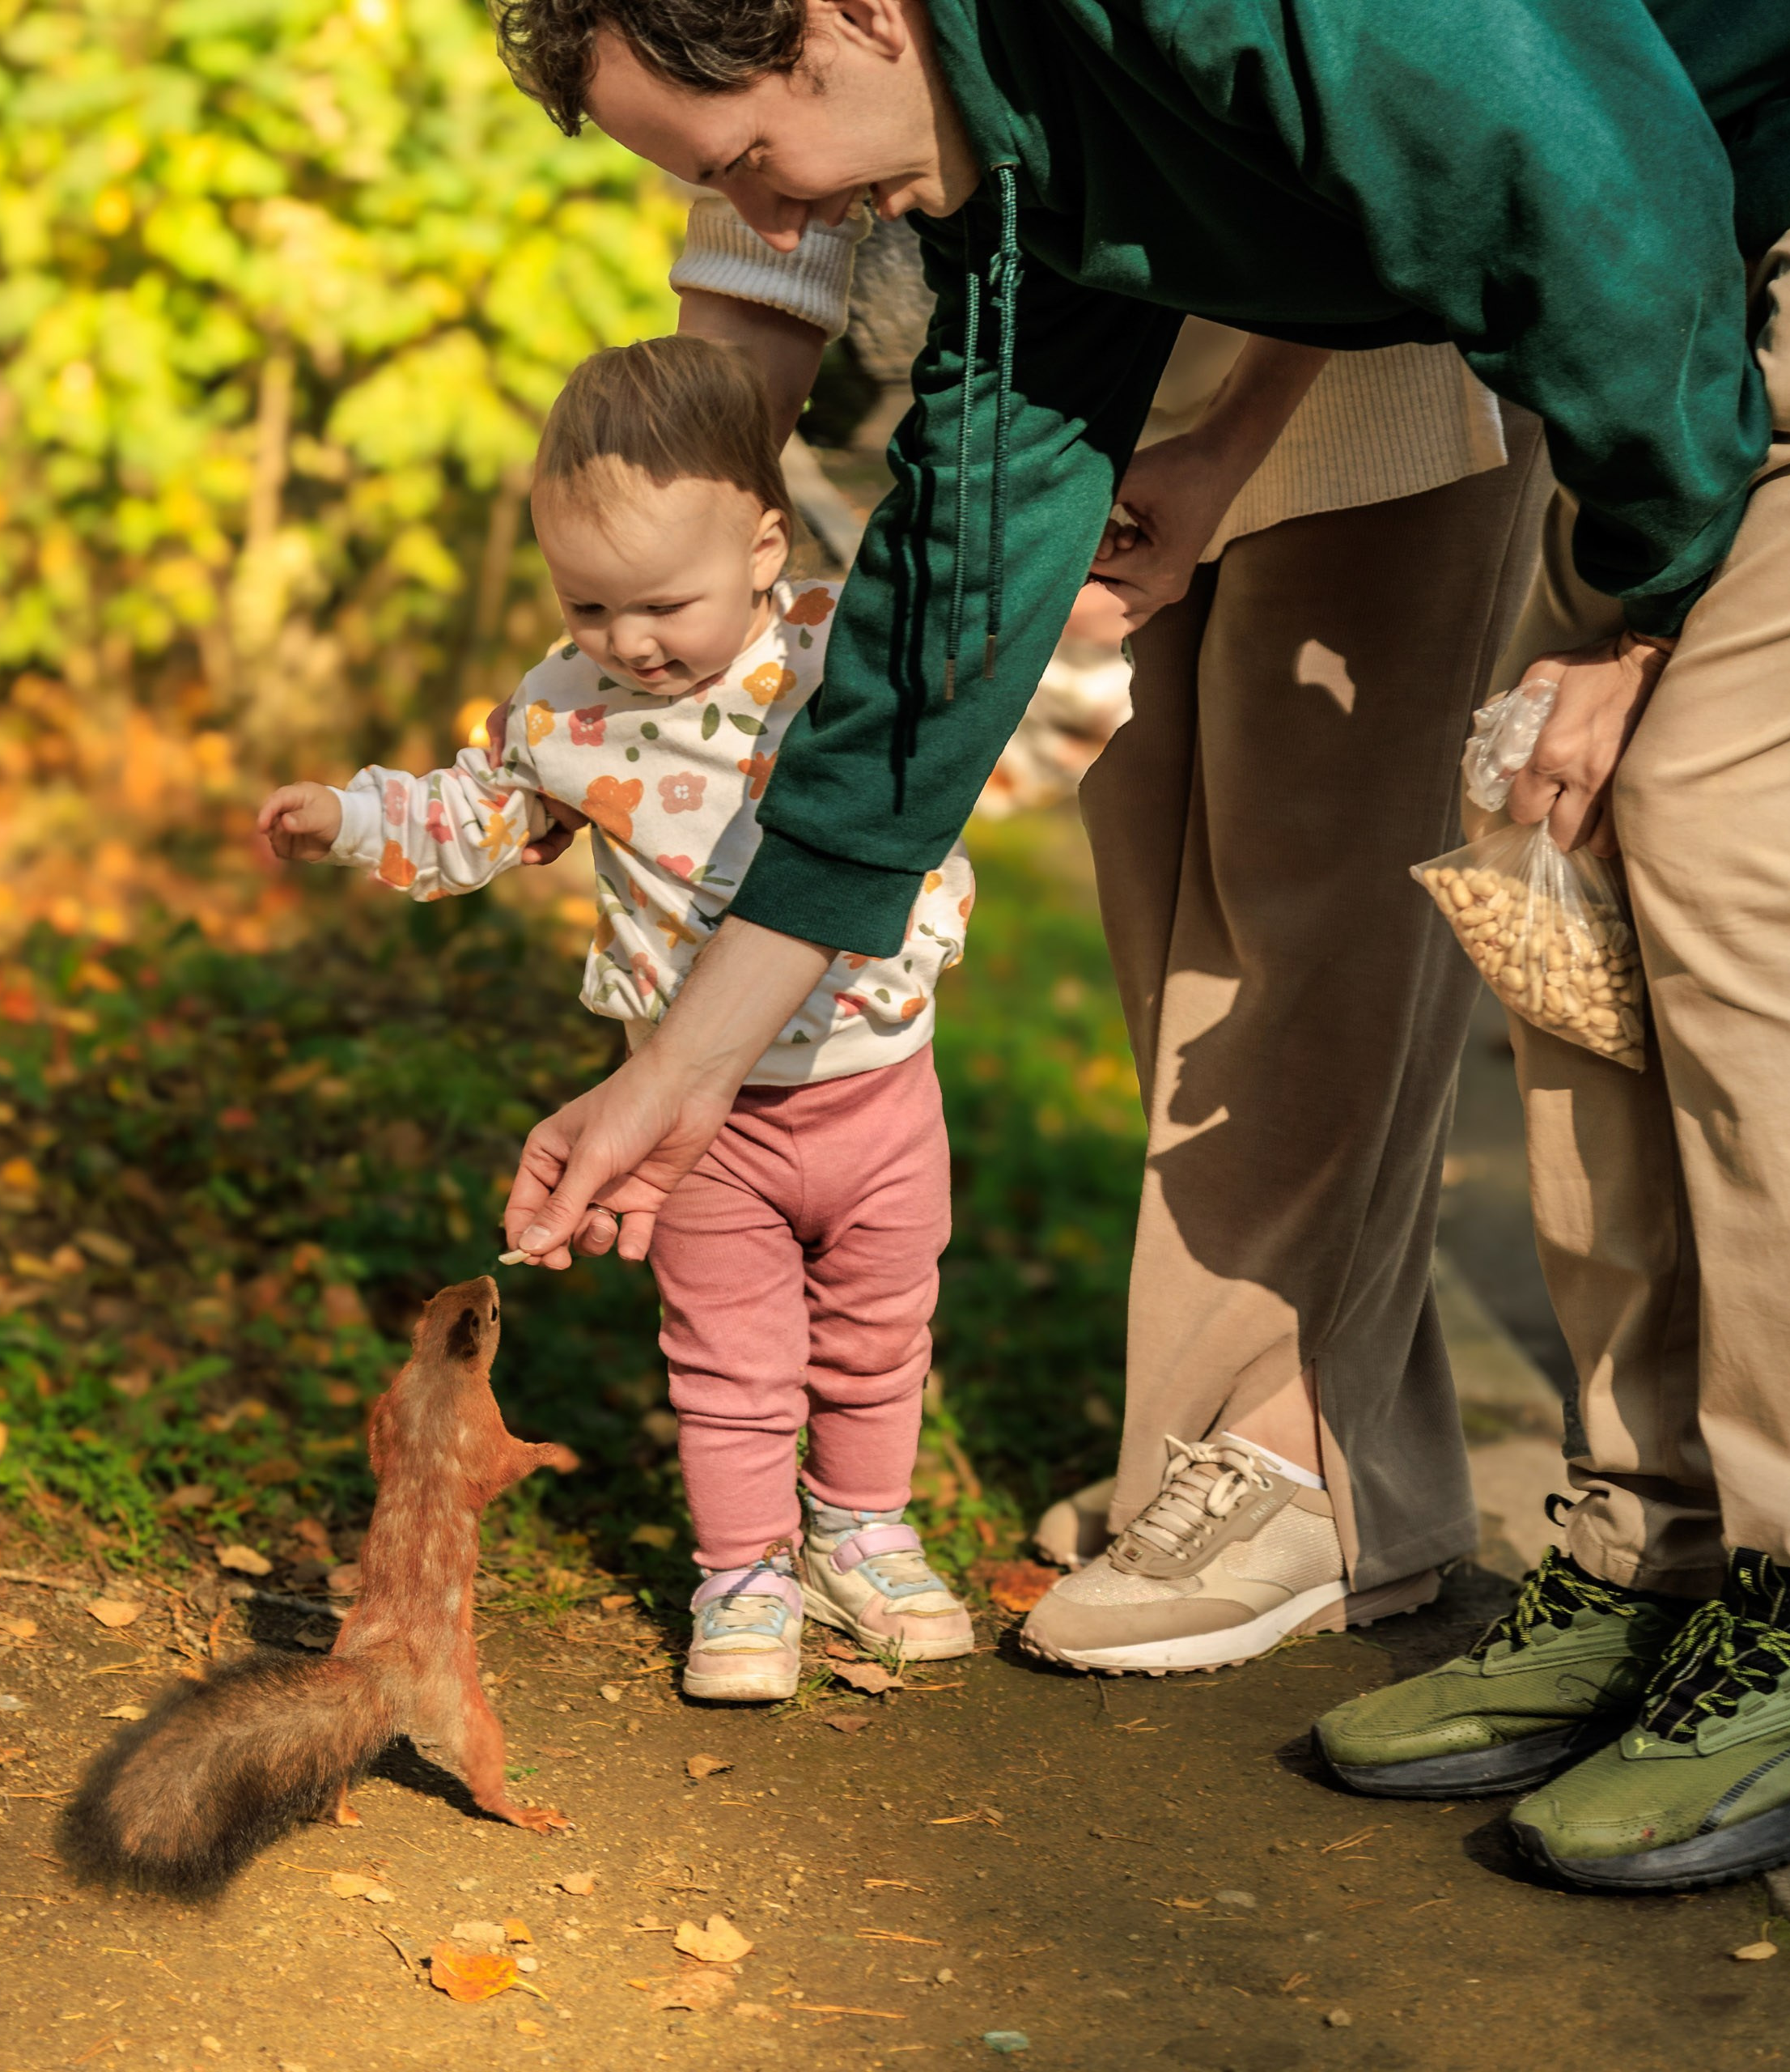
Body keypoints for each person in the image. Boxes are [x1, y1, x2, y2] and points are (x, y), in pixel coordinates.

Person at [487, 0, 1790, 1882]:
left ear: (850, 18)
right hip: (1723, 206)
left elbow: (1568, 166)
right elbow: (956, 575)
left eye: (742, 159)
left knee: (1741, 823)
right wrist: (685, 1061)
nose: (781, 222)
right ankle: (1664, 1554)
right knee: (1570, 819)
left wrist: (1655, 599)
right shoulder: (1012, 135)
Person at [665, 195, 1553, 1675]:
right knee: (1164, 857)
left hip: (1370, 347)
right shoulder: (751, 72)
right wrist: (684, 579)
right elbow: (763, 249)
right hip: (1123, 364)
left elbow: (1332, 169)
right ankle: (1275, 1455)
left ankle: (1292, 1461)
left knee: (1310, 891)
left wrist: (1235, 434)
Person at [259, 335, 978, 1705]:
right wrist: (352, 816)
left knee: (882, 1328)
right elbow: (474, 816)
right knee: (728, 1355)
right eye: (587, 607)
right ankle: (746, 1570)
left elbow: (973, 696)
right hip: (693, 1117)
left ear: (766, 547)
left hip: (881, 1085)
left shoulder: (843, 655)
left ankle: (865, 1532)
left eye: (660, 604)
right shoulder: (566, 709)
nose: (626, 642)